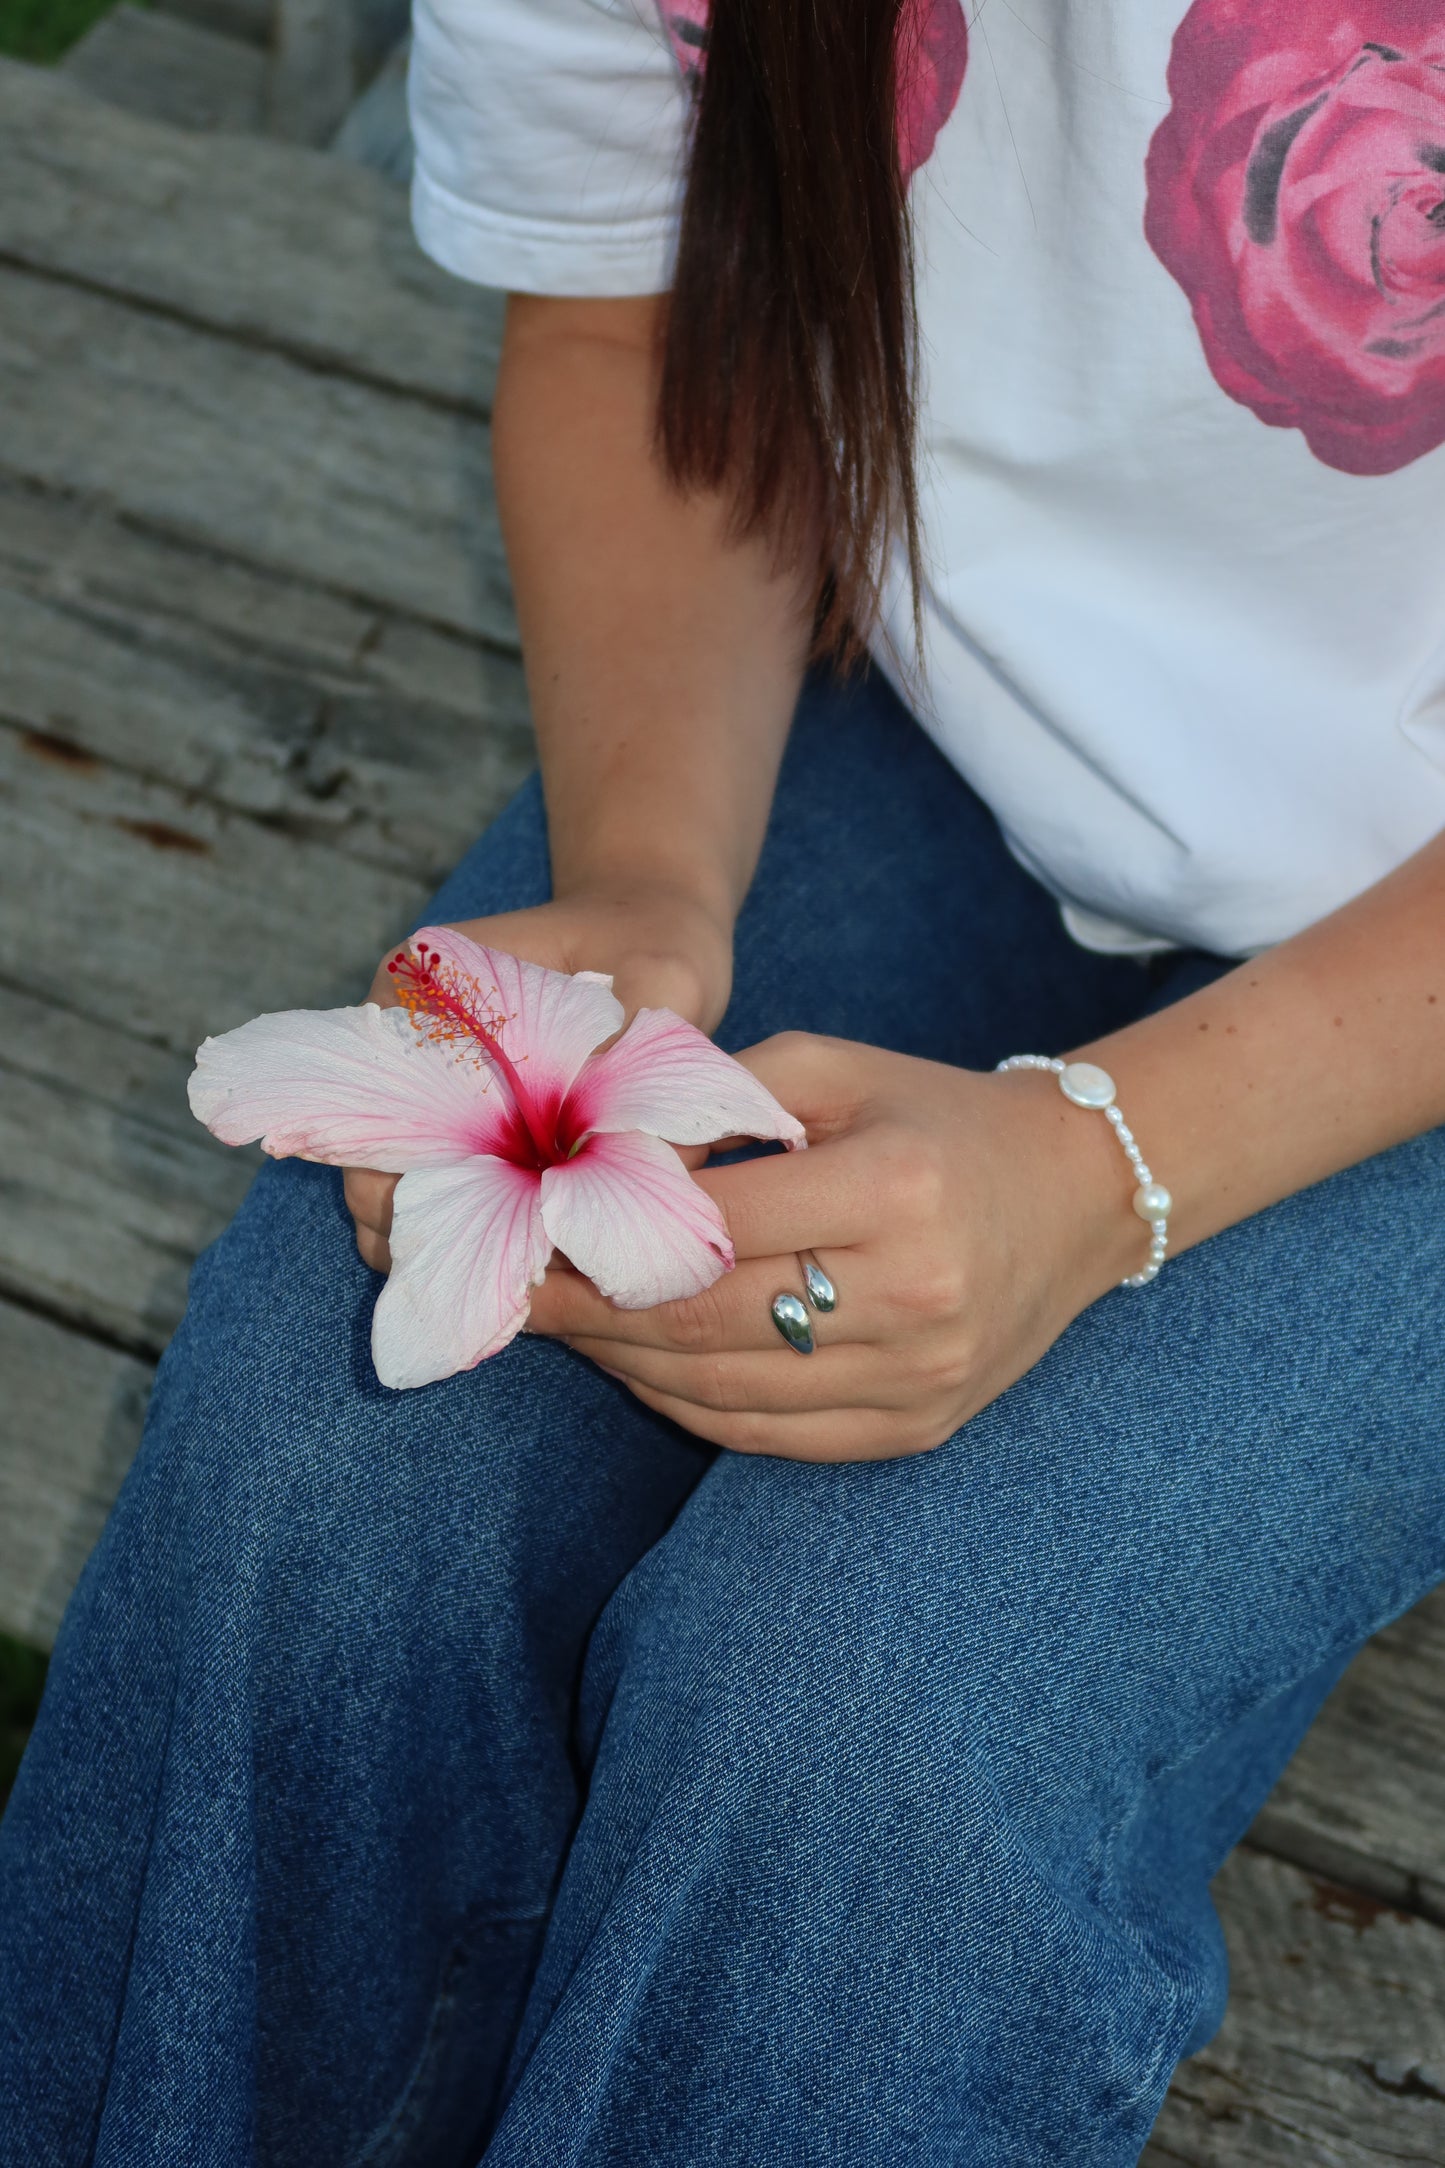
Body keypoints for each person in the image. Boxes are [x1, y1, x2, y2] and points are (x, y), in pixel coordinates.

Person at [3, 1, 1443, 2161]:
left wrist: (1110, 1166)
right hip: (906, 688)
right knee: (326, 1466)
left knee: (867, 1726)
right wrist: (654, 872)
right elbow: (630, 324)